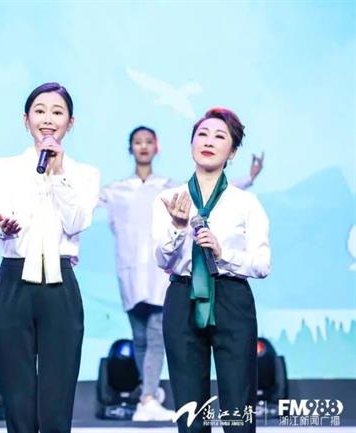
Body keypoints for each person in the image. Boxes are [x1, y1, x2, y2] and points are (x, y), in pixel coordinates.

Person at [99, 126, 263, 421]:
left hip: (172, 278)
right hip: (132, 272)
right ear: (130, 148)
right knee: (140, 338)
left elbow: (214, 193)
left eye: (148, 141)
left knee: (155, 335)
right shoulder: (118, 190)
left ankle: (148, 396)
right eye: (137, 142)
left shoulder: (171, 189)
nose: (143, 147)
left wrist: (248, 179)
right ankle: (148, 392)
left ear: (157, 146)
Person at [0, 82, 100, 433]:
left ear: (70, 122)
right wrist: (4, 226)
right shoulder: (4, 167)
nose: (48, 119)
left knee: (56, 402)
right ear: (26, 120)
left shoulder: (85, 174)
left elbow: (76, 222)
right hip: (13, 281)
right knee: (17, 401)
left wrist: (59, 174)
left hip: (59, 284)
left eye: (57, 112)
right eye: (39, 111)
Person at [152, 108, 270, 433]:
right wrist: (178, 227)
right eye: (202, 134)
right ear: (191, 143)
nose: (209, 141)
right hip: (182, 296)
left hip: (232, 297)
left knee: (238, 409)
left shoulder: (246, 203)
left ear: (232, 152)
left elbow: (262, 264)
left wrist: (223, 253)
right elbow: (162, 261)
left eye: (220, 136)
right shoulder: (168, 198)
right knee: (190, 412)